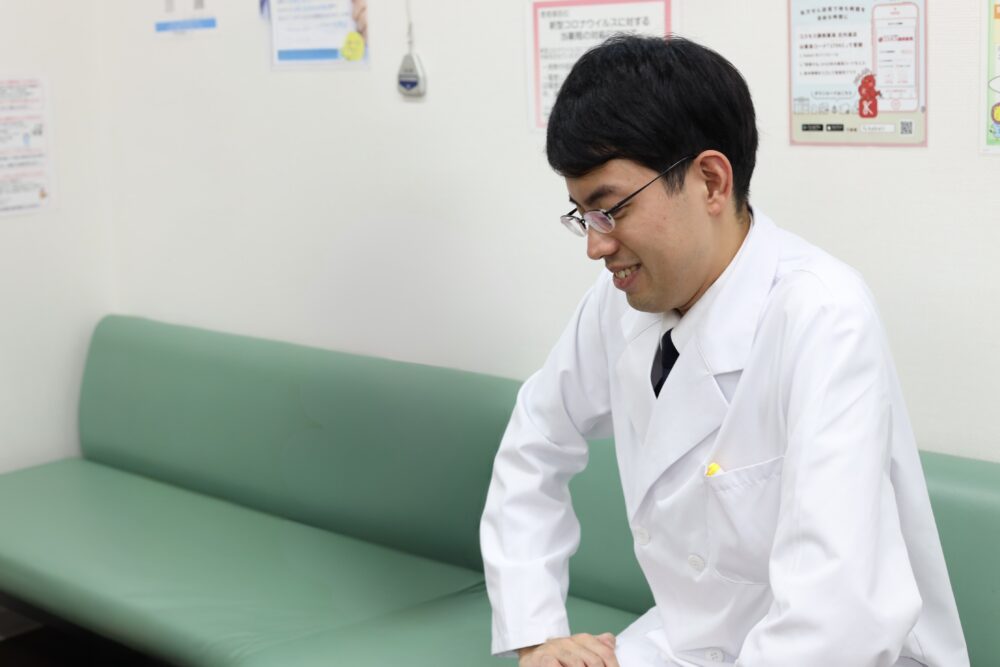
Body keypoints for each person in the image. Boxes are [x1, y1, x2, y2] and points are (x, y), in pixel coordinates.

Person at [479, 35, 968, 667]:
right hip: (688, 645)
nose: (596, 247)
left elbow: (835, 615)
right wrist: (537, 634)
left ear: (710, 181)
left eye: (610, 210)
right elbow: (538, 438)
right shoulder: (621, 302)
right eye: (582, 217)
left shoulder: (822, 314)